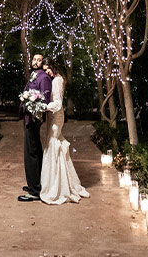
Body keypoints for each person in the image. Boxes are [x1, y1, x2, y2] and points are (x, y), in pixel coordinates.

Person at [39, 57, 90, 204]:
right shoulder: (54, 79)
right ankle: (55, 182)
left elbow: (58, 104)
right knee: (51, 145)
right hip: (51, 116)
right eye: (44, 70)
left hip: (56, 117)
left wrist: (43, 106)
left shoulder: (57, 80)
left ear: (53, 66)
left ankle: (58, 187)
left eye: (47, 69)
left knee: (53, 145)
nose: (46, 72)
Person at [18, 53, 52, 202]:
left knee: (30, 154)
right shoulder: (33, 75)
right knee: (35, 150)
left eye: (39, 60)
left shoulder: (44, 77)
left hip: (33, 118)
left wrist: (34, 112)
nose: (36, 62)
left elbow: (45, 99)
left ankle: (34, 191)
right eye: (34, 59)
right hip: (28, 117)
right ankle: (36, 184)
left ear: (42, 62)